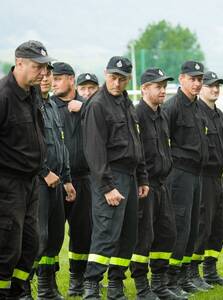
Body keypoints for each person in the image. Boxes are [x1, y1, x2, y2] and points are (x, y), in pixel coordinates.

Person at [82, 56, 149, 300]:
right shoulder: (97, 104)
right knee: (106, 233)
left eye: (122, 79)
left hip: (130, 177)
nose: (116, 83)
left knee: (128, 235)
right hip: (110, 177)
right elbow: (94, 151)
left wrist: (142, 177)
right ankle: (91, 286)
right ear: (105, 74)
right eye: (113, 77)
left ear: (128, 79)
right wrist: (108, 186)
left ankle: (116, 285)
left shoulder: (126, 103)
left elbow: (136, 142)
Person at [0, 40, 51, 299]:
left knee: (30, 245)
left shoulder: (31, 93)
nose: (43, 73)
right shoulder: (4, 95)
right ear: (19, 62)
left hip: (31, 183)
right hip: (8, 184)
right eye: (36, 66)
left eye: (44, 67)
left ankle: (19, 292)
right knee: (6, 247)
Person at [129, 68, 182, 300]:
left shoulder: (162, 115)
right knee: (144, 236)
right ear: (144, 89)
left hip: (163, 184)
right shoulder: (137, 115)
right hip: (145, 185)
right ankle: (142, 287)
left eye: (164, 86)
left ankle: (159, 284)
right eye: (157, 86)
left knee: (166, 233)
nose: (163, 90)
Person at [163, 61, 209, 296]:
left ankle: (183, 276)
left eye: (199, 79)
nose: (197, 83)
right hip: (179, 174)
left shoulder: (197, 107)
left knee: (192, 226)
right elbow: (162, 141)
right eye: (192, 79)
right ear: (181, 79)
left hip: (196, 174)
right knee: (179, 227)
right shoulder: (172, 107)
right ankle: (170, 280)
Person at [191, 71, 223, 290]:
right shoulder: (197, 112)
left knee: (219, 226)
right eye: (211, 86)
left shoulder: (218, 114)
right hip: (203, 177)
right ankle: (193, 273)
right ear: (202, 88)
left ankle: (211, 271)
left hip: (219, 177)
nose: (215, 89)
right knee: (202, 225)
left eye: (218, 86)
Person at [51, 62, 92, 297]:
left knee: (82, 232)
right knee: (51, 234)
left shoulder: (88, 106)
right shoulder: (47, 106)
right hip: (54, 181)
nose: (53, 82)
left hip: (84, 178)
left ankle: (78, 279)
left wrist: (84, 109)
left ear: (70, 79)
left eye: (57, 78)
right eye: (51, 78)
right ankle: (48, 282)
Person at [36, 63, 76, 300]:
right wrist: (44, 172)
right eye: (42, 73)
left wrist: (68, 179)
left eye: (49, 74)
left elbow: (62, 146)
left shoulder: (51, 105)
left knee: (54, 237)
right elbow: (25, 147)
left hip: (58, 183)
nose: (45, 78)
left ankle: (46, 286)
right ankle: (22, 289)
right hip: (39, 182)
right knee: (37, 237)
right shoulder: (29, 106)